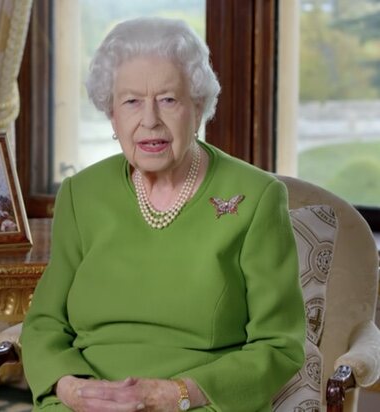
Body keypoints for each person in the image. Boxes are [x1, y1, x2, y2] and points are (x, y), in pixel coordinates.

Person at [20, 17, 306, 412]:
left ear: (199, 106)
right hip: (85, 403)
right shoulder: (80, 195)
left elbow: (280, 345)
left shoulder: (257, 198)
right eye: (132, 101)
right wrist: (72, 388)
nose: (150, 120)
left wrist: (176, 394)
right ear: (112, 115)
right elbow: (45, 322)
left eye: (168, 99)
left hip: (197, 403)